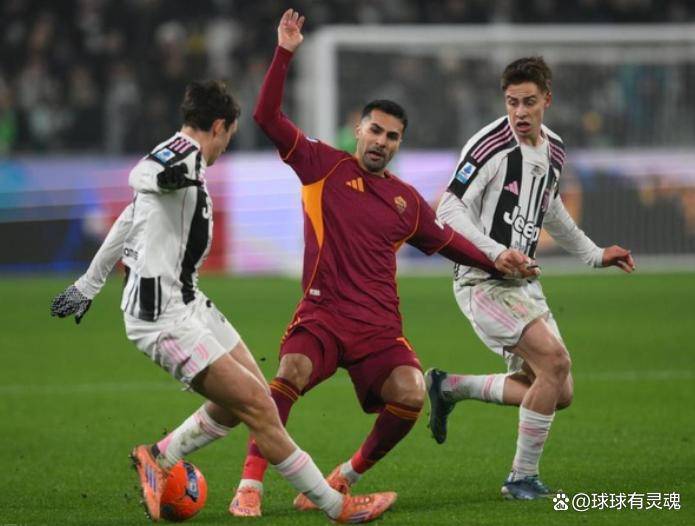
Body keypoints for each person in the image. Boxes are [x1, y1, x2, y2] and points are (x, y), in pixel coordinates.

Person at [228, 10, 536, 517]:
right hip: (323, 315)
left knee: (411, 394)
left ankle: (344, 477)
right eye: (375, 130)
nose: (381, 142)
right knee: (290, 371)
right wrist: (284, 52)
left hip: (377, 328)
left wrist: (499, 262)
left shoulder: (406, 201)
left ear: (398, 144)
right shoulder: (322, 165)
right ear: (358, 129)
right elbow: (266, 117)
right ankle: (249, 486)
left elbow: (450, 242)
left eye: (392, 137)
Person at [50, 79, 398, 524]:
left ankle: (159, 456)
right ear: (218, 126)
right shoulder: (178, 159)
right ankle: (337, 506)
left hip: (189, 301)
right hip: (161, 318)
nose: (225, 147)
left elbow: (130, 216)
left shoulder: (184, 162)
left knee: (255, 398)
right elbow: (140, 176)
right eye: (228, 137)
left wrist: (89, 283)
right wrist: (162, 176)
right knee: (259, 409)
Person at [427, 56, 636, 500]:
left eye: (528, 102)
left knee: (559, 391)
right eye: (511, 102)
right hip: (481, 281)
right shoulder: (489, 145)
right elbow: (448, 208)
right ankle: (520, 478)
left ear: (547, 100)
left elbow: (550, 207)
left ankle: (449, 386)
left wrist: (594, 254)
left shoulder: (554, 149)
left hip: (522, 284)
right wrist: (496, 252)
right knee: (555, 365)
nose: (519, 112)